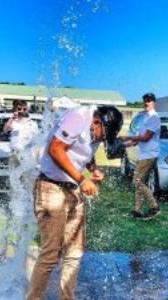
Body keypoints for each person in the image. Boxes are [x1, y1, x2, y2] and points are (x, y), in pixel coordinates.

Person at [26, 105, 123, 300]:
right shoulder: (78, 118)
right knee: (51, 253)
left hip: (71, 189)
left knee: (75, 251)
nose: (101, 140)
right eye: (102, 135)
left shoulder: (94, 128)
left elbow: (83, 151)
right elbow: (55, 148)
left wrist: (93, 169)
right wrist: (82, 179)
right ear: (96, 122)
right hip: (50, 187)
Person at [121, 92, 161, 220]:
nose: (146, 102)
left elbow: (145, 137)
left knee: (137, 181)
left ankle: (154, 207)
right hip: (143, 154)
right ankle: (136, 210)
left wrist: (128, 136)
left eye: (149, 100)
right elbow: (138, 139)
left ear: (154, 102)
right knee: (140, 182)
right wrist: (123, 145)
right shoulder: (145, 118)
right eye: (145, 100)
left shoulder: (154, 118)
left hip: (149, 154)